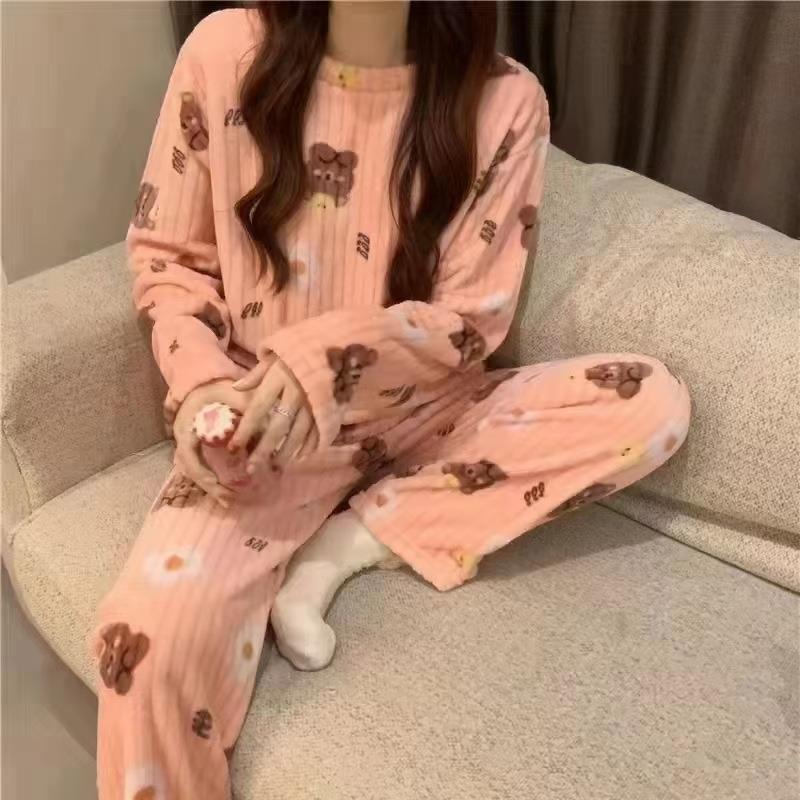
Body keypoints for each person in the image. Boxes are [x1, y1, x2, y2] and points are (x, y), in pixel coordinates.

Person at [94, 2, 691, 797]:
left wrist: (326, 358)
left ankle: (344, 546)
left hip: (422, 410)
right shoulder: (224, 52)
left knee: (650, 402)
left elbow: (472, 322)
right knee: (142, 652)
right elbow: (168, 260)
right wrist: (204, 388)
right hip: (268, 431)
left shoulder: (504, 100)